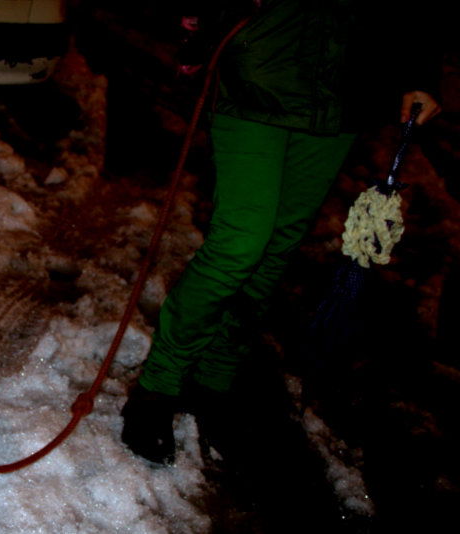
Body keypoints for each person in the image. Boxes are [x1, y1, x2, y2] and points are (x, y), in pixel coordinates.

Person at [121, 0, 443, 466]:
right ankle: (158, 387)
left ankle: (215, 380)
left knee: (277, 247)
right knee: (239, 244)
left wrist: (420, 71)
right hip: (259, 72)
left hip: (344, 91)